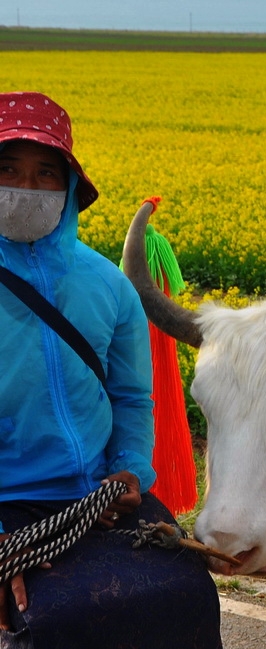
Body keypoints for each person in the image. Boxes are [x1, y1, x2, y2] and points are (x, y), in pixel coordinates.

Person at [0, 91, 222, 648]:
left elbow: (129, 397)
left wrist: (129, 470)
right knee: (47, 625)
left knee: (187, 592)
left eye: (45, 173)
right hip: (10, 507)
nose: (26, 188)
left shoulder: (107, 285)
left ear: (70, 188)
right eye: (7, 169)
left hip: (99, 497)